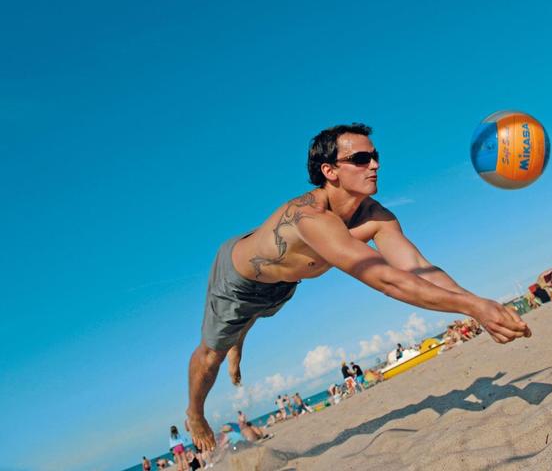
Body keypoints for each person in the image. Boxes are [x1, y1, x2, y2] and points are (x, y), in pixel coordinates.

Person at [186, 123, 531, 450]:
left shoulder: (374, 216)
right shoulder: (310, 217)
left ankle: (240, 336)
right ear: (329, 171)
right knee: (212, 354)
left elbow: (417, 269)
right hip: (238, 281)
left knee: (258, 314)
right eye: (361, 159)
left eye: (375, 155)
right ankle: (195, 412)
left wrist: (479, 305)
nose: (375, 165)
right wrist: (471, 308)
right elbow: (386, 280)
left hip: (284, 283)